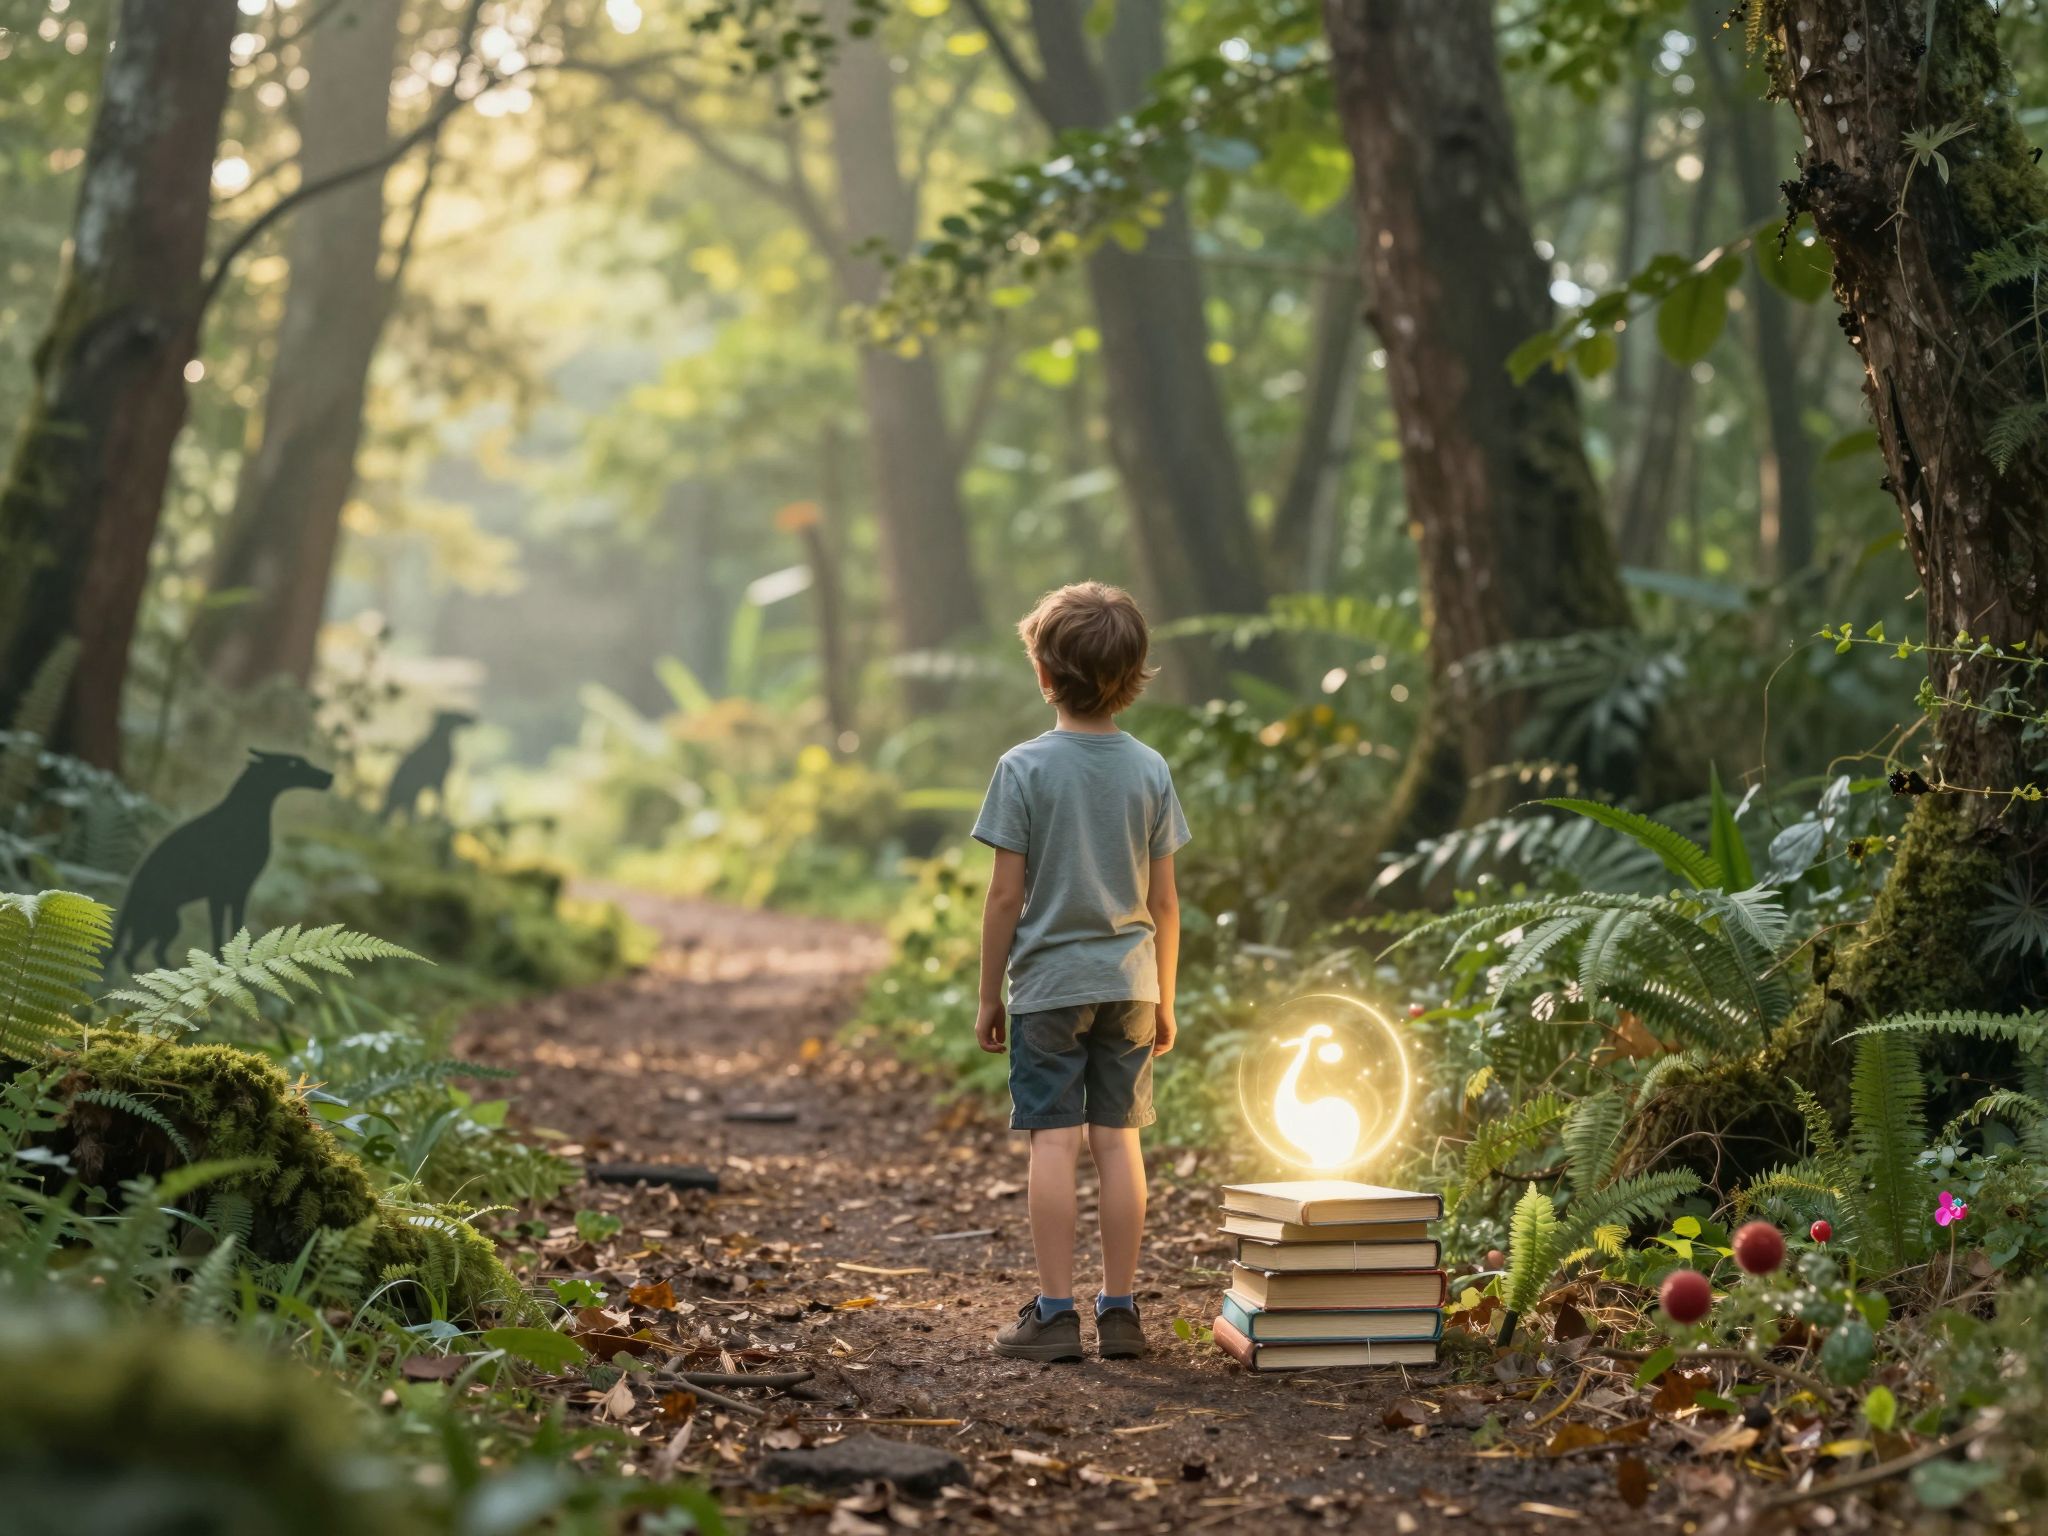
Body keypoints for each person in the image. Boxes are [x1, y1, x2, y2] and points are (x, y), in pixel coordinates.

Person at [971, 581, 1190, 1362]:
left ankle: (1056, 1316)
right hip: (1131, 984)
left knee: (1054, 1146)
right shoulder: (1149, 769)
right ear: (1132, 677)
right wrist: (1164, 994)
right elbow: (1165, 902)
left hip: (1050, 991)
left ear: (1043, 673)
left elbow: (1005, 896)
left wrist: (989, 994)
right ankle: (1123, 1312)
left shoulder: (1022, 768)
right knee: (1119, 1142)